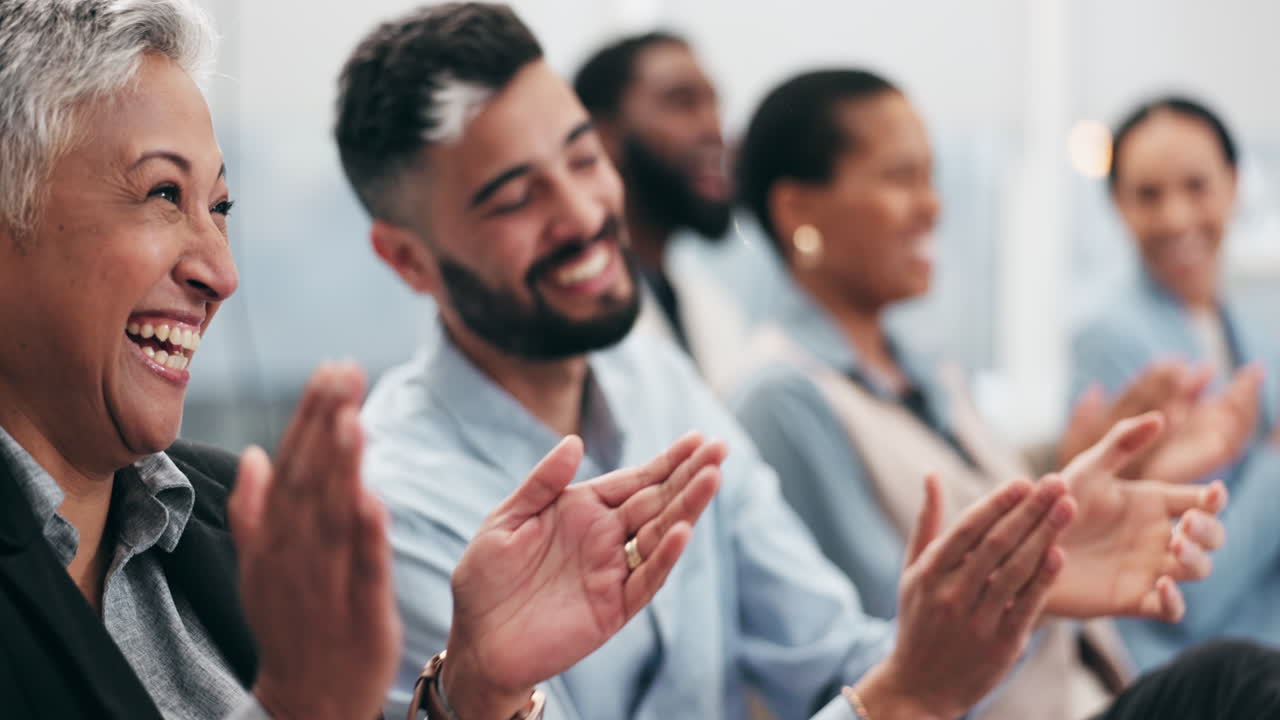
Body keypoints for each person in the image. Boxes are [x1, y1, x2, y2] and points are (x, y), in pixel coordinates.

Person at [336, 5, 1270, 718]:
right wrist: (902, 691)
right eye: (513, 198)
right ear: (408, 258)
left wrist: (1013, 587)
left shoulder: (660, 385)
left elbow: (838, 653)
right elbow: (881, 685)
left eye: (583, 160)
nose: (582, 214)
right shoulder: (397, 507)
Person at [0, 2, 724, 718]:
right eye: (163, 193)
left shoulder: (230, 514)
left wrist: (472, 691)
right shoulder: (360, 509)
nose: (221, 272)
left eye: (219, 208)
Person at [726, 68, 1267, 719]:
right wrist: (1045, 573)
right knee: (1237, 682)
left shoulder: (925, 375)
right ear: (799, 211)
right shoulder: (784, 400)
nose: (934, 206)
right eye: (901, 178)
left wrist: (1086, 477)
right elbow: (876, 659)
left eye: (930, 178)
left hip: (1090, 691)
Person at [1070, 96, 1280, 669]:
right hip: (1195, 673)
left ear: (1234, 185)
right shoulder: (1109, 341)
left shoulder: (1255, 332)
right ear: (1116, 204)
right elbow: (1186, 594)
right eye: (1148, 195)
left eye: (1196, 186)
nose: (1176, 218)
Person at [573, 32, 784, 389]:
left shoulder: (706, 301)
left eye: (714, 104)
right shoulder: (575, 312)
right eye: (681, 102)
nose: (713, 130)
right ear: (600, 135)